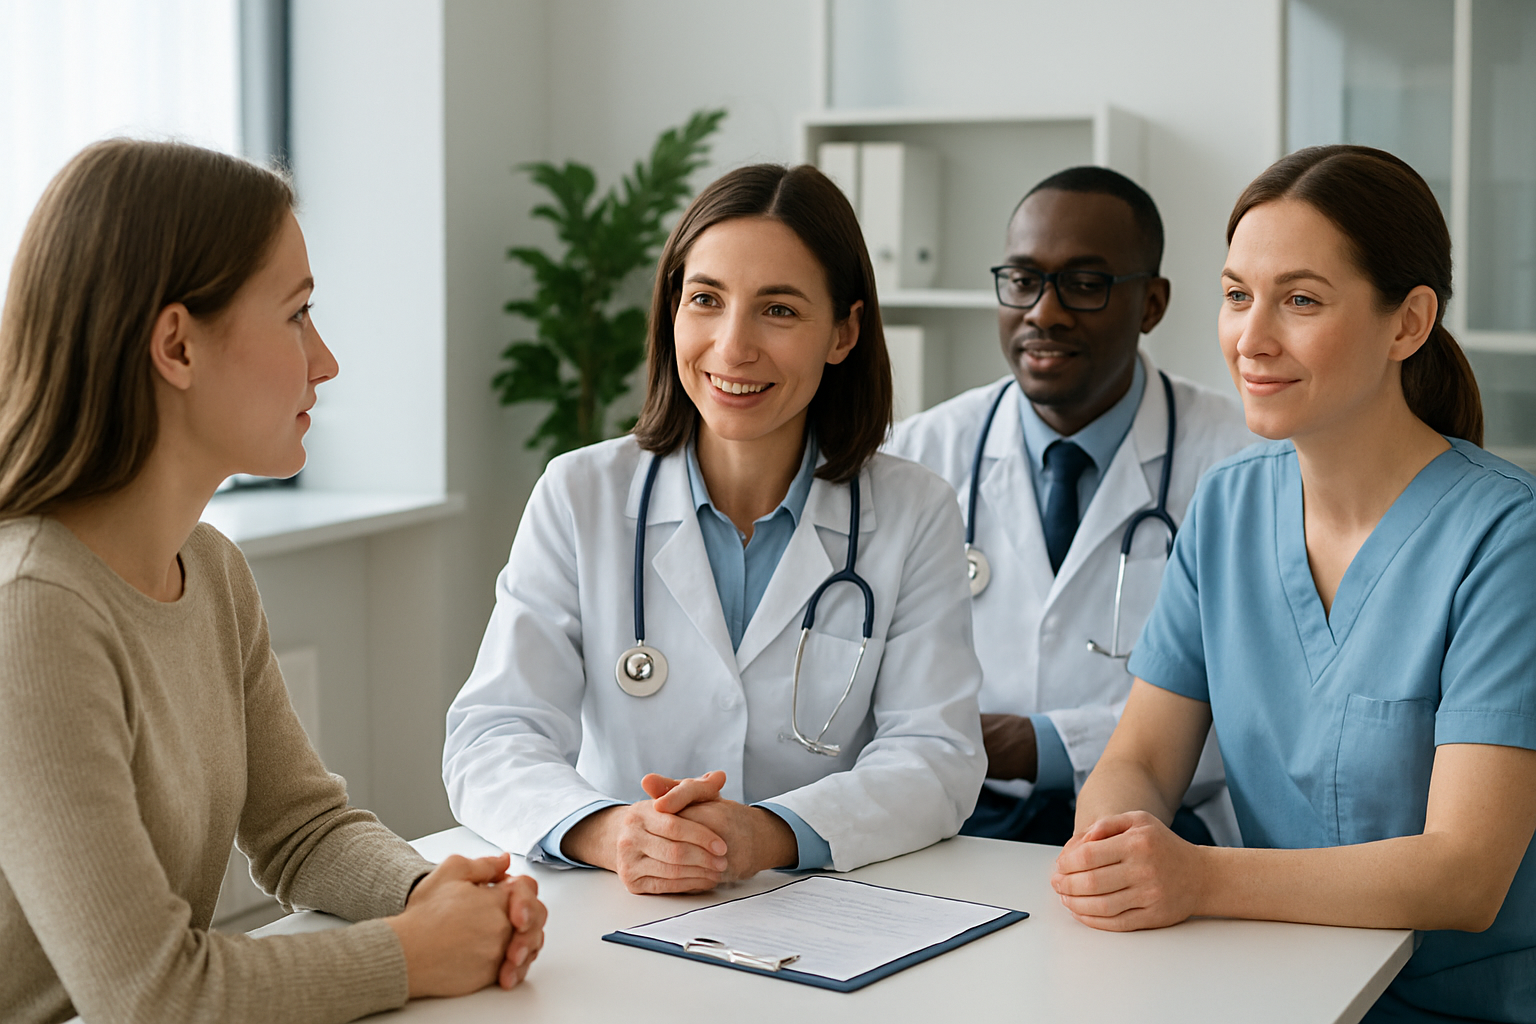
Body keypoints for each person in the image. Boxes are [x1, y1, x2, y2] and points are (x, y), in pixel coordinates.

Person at [0, 140, 546, 1024]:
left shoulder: (209, 570)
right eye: (297, 315)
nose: (324, 361)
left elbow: (303, 831)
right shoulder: (31, 611)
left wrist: (433, 894)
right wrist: (412, 956)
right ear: (176, 344)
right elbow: (151, 995)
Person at [1053, 145, 1536, 1023]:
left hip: (1462, 1007)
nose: (1252, 337)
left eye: (1301, 300)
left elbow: (1466, 873)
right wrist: (1112, 841)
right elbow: (1140, 759)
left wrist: (1196, 875)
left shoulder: (1506, 537)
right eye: (1238, 295)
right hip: (1277, 983)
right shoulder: (1229, 507)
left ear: (1408, 323)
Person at [443, 163, 985, 894]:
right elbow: (492, 736)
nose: (732, 348)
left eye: (780, 310)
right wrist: (609, 830)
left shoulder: (914, 511)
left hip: (824, 907)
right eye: (706, 300)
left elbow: (936, 756)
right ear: (672, 311)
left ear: (844, 331)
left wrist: (767, 834)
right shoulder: (580, 494)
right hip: (620, 900)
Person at [886, 167, 1253, 847]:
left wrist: (1045, 744)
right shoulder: (919, 454)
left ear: (1152, 304)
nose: (1044, 313)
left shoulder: (1245, 465)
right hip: (952, 825)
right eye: (1023, 280)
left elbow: (1263, 716)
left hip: (1163, 833)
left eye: (1085, 285)